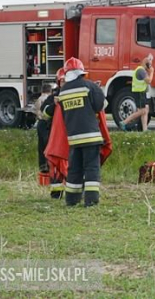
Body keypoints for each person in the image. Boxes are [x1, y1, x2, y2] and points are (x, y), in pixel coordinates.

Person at [42, 57, 106, 207]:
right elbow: (100, 106)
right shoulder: (89, 86)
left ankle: (71, 200)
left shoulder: (63, 92)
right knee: (91, 168)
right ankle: (91, 200)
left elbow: (60, 115)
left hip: (73, 139)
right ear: (81, 71)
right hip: (91, 137)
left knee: (74, 169)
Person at [39, 69, 66, 198]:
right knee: (55, 164)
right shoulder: (53, 97)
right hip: (56, 136)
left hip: (71, 136)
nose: (64, 83)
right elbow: (44, 113)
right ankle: (56, 193)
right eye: (62, 81)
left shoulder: (77, 94)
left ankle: (75, 193)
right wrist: (54, 106)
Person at [122, 54, 154, 131]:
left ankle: (145, 130)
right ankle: (124, 122)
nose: (150, 67)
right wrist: (152, 72)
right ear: (146, 65)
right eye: (149, 65)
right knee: (142, 111)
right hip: (139, 93)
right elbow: (149, 81)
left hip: (142, 92)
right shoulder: (141, 71)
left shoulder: (141, 70)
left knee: (146, 109)